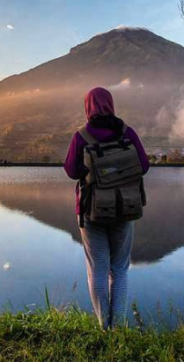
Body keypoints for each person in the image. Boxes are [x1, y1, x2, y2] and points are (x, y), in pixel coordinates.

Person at [64, 86, 150, 329]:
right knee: (120, 269)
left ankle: (104, 328)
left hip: (91, 210)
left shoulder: (81, 135)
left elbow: (71, 171)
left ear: (87, 107)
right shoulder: (127, 132)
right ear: (111, 104)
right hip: (124, 208)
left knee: (98, 269)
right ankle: (119, 327)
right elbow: (143, 166)